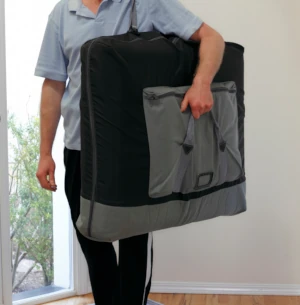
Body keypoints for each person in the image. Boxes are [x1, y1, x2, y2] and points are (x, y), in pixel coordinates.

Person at [35, 0, 225, 304]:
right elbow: (54, 84)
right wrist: (45, 152)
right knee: (90, 239)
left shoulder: (145, 3)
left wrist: (201, 83)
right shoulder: (62, 12)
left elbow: (212, 38)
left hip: (133, 150)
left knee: (135, 242)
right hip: (79, 150)